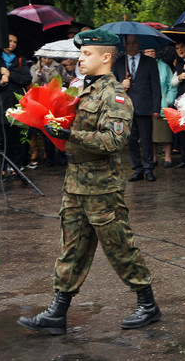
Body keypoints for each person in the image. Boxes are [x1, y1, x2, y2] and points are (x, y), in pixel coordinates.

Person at [17, 29, 161, 335]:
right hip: (75, 183)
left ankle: (147, 304)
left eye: (87, 54)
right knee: (72, 247)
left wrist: (70, 135)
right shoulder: (83, 90)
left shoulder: (116, 96)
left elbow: (115, 140)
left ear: (106, 57)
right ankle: (58, 311)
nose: (80, 59)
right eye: (81, 54)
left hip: (102, 186)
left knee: (118, 246)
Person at [113, 34, 161, 182]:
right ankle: (137, 168)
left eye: (134, 43)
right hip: (126, 108)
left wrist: (156, 108)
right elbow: (111, 86)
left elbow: (156, 86)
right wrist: (121, 85)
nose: (131, 45)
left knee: (146, 140)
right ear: (125, 45)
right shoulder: (119, 63)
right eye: (128, 43)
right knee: (131, 140)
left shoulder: (150, 62)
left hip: (145, 107)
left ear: (139, 44)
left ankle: (148, 168)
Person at [0, 33, 32, 170]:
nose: (12, 44)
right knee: (2, 136)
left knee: (17, 135)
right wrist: (0, 82)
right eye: (9, 41)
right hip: (0, 103)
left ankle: (17, 165)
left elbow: (26, 79)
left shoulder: (19, 59)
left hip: (16, 103)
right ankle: (4, 165)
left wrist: (10, 74)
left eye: (15, 42)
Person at [143, 48, 177, 168]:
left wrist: (169, 100)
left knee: (165, 133)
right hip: (147, 104)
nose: (150, 53)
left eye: (152, 51)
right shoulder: (142, 67)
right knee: (150, 133)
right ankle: (153, 157)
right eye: (147, 52)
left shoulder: (164, 67)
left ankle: (167, 157)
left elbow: (171, 85)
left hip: (163, 104)